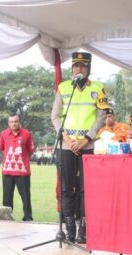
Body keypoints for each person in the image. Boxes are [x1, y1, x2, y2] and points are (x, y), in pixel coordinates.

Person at [51, 51, 108, 243]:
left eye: (83, 66)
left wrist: (86, 139)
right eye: (76, 66)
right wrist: (66, 138)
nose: (79, 69)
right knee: (67, 187)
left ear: (88, 68)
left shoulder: (99, 88)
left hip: (88, 145)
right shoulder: (64, 87)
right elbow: (55, 115)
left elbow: (102, 116)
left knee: (86, 188)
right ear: (72, 68)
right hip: (67, 145)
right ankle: (69, 226)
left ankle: (84, 227)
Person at [0, 112, 35, 221]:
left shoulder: (27, 134)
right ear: (8, 123)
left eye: (15, 121)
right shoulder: (4, 134)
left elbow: (30, 150)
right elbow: (1, 148)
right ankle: (7, 218)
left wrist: (22, 159)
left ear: (19, 122)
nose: (14, 124)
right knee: (7, 197)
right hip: (7, 171)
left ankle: (28, 217)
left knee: (25, 197)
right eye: (11, 122)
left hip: (22, 172)